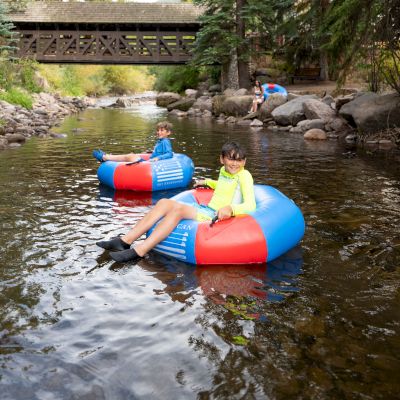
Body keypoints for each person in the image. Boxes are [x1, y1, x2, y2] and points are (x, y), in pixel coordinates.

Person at [96, 141, 257, 263]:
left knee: (177, 211)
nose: (235, 163)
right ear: (222, 159)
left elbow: (250, 205)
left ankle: (140, 251)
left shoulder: (244, 175)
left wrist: (231, 208)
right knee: (164, 202)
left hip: (215, 215)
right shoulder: (224, 171)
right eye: (231, 159)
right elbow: (224, 185)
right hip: (207, 208)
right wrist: (208, 182)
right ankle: (125, 241)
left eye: (239, 160)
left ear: (244, 161)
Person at [92, 120, 173, 163]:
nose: (159, 132)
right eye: (158, 130)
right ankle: (107, 157)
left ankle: (105, 157)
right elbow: (160, 151)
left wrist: (158, 158)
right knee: (131, 155)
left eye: (162, 130)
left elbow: (169, 154)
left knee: (130, 156)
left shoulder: (165, 141)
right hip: (148, 163)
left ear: (168, 132)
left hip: (148, 165)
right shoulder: (161, 141)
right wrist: (152, 152)